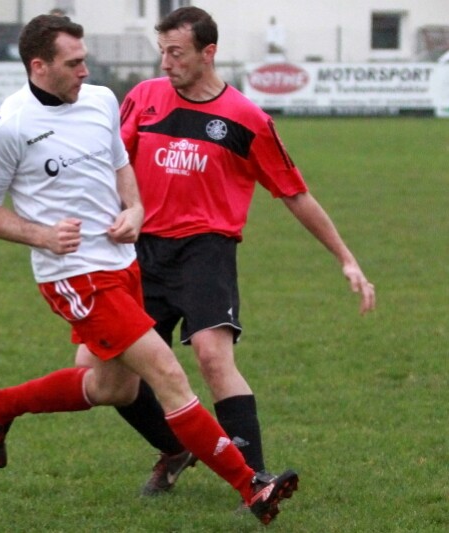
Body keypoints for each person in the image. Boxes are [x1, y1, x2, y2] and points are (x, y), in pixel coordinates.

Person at [0, 14, 298, 525]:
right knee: (167, 372)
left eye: (85, 60)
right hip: (74, 276)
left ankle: (0, 405)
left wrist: (136, 209)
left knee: (113, 388)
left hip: (124, 263)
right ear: (39, 66)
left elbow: (121, 162)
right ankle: (251, 484)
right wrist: (42, 235)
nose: (85, 70)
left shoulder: (100, 99)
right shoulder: (4, 127)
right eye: (73, 63)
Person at [83, 6, 375, 497]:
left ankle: (256, 480)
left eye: (176, 53)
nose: (165, 63)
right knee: (111, 378)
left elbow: (294, 193)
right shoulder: (144, 98)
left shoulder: (247, 119)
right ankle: (175, 448)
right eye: (162, 52)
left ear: (208, 52)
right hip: (140, 251)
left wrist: (346, 257)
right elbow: (112, 164)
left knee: (212, 356)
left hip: (206, 250)